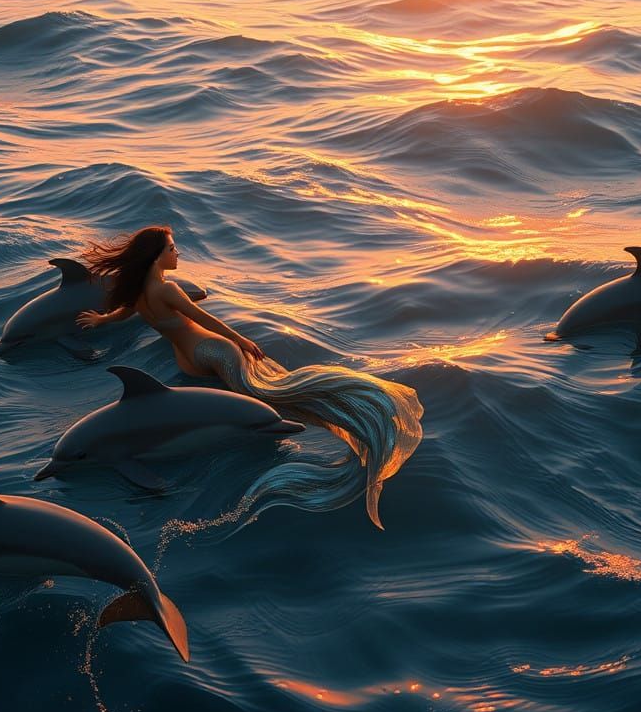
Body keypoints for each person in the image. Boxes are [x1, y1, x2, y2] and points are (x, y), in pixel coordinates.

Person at [77, 225, 423, 528]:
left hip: (187, 360)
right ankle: (354, 416)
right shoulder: (168, 289)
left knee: (254, 401)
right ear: (156, 256)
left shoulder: (139, 291)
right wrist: (239, 340)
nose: (177, 253)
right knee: (272, 395)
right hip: (212, 350)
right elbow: (204, 318)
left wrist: (102, 321)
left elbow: (126, 311)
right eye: (171, 248)